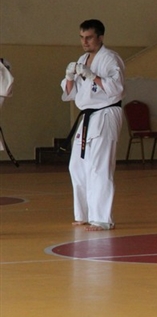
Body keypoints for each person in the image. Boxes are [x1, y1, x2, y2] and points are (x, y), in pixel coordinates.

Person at [60, 19, 125, 231]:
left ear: (100, 37)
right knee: (77, 166)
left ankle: (102, 218)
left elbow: (116, 88)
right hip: (88, 116)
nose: (84, 42)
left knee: (100, 166)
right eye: (82, 37)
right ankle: (84, 214)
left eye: (88, 37)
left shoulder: (110, 58)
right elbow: (71, 94)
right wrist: (69, 77)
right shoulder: (82, 59)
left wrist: (93, 76)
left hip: (106, 113)